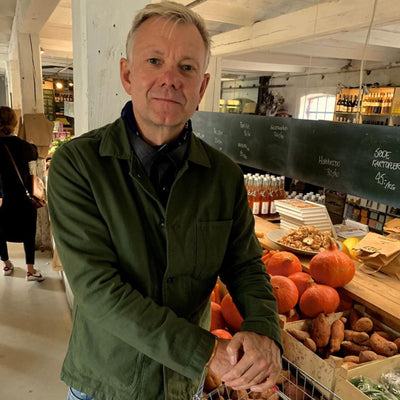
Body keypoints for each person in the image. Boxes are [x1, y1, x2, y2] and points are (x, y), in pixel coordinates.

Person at [47, 2, 282, 400]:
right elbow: (99, 290)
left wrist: (263, 330)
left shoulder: (223, 176)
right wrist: (207, 352)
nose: (170, 79)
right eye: (154, 61)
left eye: (187, 67)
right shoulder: (79, 165)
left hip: (182, 386)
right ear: (127, 74)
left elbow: (245, 265)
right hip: (107, 385)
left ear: (202, 87)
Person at [0, 106, 45, 281]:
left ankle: (6, 264)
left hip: (1, 198)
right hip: (22, 197)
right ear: (14, 123)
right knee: (28, 231)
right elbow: (34, 153)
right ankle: (30, 271)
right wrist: (31, 143)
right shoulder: (21, 145)